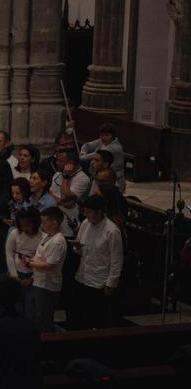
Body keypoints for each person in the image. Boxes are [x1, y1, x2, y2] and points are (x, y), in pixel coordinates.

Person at [70, 195, 123, 330]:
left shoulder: (112, 230)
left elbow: (117, 260)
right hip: (83, 276)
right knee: (80, 316)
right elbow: (80, 250)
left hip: (99, 280)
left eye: (88, 211)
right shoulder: (85, 224)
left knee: (98, 318)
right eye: (85, 211)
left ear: (99, 212)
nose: (85, 215)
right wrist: (76, 247)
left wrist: (111, 283)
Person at [79, 123, 126, 188]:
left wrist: (82, 156)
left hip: (113, 181)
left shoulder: (114, 148)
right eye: (101, 135)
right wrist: (83, 152)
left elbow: (88, 157)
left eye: (107, 135)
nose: (103, 138)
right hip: (101, 174)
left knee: (82, 162)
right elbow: (87, 145)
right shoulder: (103, 141)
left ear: (113, 136)